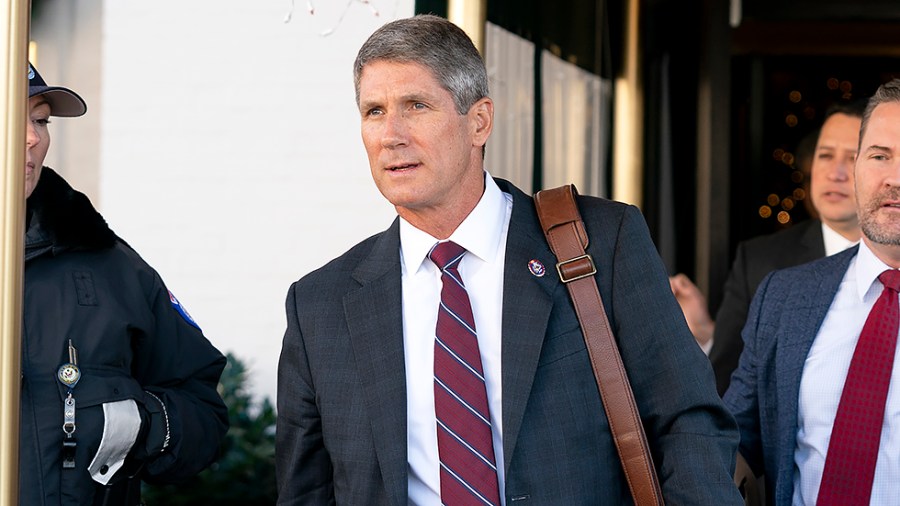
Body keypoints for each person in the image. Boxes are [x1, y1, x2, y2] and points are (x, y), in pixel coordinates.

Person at [275, 14, 742, 505]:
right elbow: (305, 491)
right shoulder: (319, 306)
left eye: (416, 105)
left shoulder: (602, 243)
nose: (391, 134)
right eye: (374, 111)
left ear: (479, 121)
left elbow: (688, 423)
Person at [22, 63, 229, 505]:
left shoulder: (112, 268)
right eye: (10, 117)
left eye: (40, 119)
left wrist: (144, 422)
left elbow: (202, 412)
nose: (33, 138)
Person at [724, 78, 900, 505]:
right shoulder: (784, 296)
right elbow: (732, 438)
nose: (894, 178)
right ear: (857, 166)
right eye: (879, 156)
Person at [670, 99, 866, 395]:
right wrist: (708, 336)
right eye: (825, 155)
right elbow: (729, 382)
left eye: (852, 158)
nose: (834, 172)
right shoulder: (760, 261)